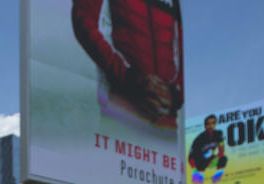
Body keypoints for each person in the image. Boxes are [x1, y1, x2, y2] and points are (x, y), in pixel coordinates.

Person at [71, 0, 183, 128]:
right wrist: (130, 79)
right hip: (123, 110)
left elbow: (188, 42)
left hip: (169, 123)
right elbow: (85, 23)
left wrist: (174, 95)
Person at [188, 114, 227, 184]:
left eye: (213, 123)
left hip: (209, 158)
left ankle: (216, 181)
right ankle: (198, 182)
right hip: (197, 161)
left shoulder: (218, 134)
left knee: (223, 159)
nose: (210, 126)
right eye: (208, 124)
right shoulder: (199, 139)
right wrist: (195, 171)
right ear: (205, 126)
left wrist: (217, 157)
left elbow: (221, 149)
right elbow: (191, 157)